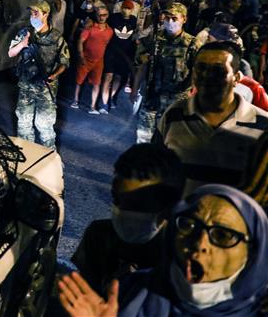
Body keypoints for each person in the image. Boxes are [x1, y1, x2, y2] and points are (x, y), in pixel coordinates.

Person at [59, 184, 268, 317]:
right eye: (188, 225)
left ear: (253, 253)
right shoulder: (130, 290)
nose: (199, 244)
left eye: (223, 236)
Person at [153, 41, 268, 193]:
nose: (207, 75)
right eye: (201, 68)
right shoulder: (174, 115)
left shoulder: (263, 127)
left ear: (237, 78)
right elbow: (154, 168)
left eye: (218, 70)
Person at [72, 144, 186, 295]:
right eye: (116, 199)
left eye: (135, 204)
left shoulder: (183, 253)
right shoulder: (99, 236)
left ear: (169, 207)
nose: (120, 211)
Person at [7, 0, 70, 149]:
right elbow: (11, 53)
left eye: (36, 13)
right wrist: (22, 44)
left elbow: (65, 62)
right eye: (31, 12)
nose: (32, 16)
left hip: (45, 89)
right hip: (26, 87)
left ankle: (49, 158)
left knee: (44, 126)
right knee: (23, 124)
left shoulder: (56, 38)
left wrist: (54, 75)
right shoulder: (24, 33)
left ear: (46, 14)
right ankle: (27, 155)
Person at [133, 3, 196, 144]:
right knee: (143, 138)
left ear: (184, 19)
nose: (170, 21)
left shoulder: (192, 44)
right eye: (167, 18)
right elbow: (140, 61)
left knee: (170, 140)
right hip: (153, 96)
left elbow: (197, 72)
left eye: (174, 18)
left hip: (176, 101)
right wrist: (135, 88)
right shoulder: (155, 39)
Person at [72, 6, 114, 114]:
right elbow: (80, 41)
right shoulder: (90, 28)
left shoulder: (110, 31)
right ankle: (75, 101)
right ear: (96, 15)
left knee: (97, 84)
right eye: (99, 15)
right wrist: (81, 56)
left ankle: (93, 107)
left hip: (99, 61)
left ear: (107, 16)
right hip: (85, 59)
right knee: (78, 81)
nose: (101, 17)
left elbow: (106, 44)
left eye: (104, 15)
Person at [100, 0, 138, 111]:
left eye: (129, 8)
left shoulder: (134, 20)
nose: (126, 10)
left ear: (132, 10)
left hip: (125, 53)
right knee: (108, 77)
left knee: (118, 77)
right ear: (121, 8)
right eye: (125, 8)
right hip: (112, 51)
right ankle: (104, 103)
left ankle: (110, 98)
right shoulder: (114, 18)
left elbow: (136, 34)